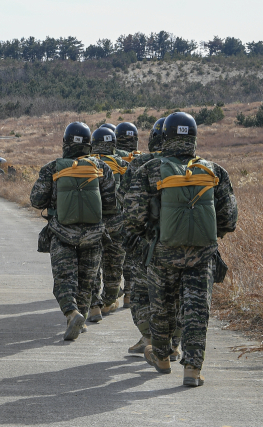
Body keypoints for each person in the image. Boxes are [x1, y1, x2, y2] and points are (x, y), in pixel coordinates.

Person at [123, 112, 237, 386]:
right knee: (197, 311)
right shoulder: (214, 170)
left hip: (163, 253)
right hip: (202, 254)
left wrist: (150, 237)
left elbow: (133, 215)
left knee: (161, 307)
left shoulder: (148, 170)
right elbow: (229, 218)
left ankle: (162, 358)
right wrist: (208, 235)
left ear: (165, 137)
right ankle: (192, 371)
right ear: (194, 138)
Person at [30, 122, 116, 341]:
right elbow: (111, 204)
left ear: (65, 142)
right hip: (94, 236)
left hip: (62, 234)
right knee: (87, 282)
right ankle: (83, 317)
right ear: (89, 143)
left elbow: (36, 200)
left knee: (64, 280)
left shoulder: (52, 168)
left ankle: (72, 313)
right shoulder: (101, 167)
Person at [118, 117, 183, 357]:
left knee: (141, 293)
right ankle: (173, 344)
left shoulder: (141, 163)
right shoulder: (188, 164)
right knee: (175, 295)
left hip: (145, 242)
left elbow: (124, 196)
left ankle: (149, 337)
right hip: (180, 241)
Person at [86, 127, 129, 323]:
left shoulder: (88, 163)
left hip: (93, 221)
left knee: (93, 264)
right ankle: (109, 300)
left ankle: (94, 306)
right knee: (114, 265)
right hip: (117, 222)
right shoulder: (121, 163)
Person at [114, 122, 140, 306]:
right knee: (131, 256)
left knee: (114, 256)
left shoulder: (111, 158)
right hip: (136, 215)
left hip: (115, 214)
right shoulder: (142, 158)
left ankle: (110, 293)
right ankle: (129, 295)